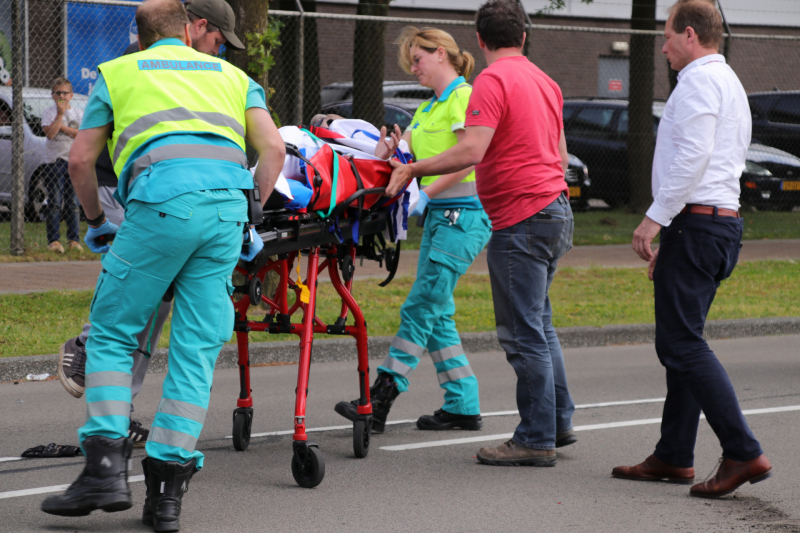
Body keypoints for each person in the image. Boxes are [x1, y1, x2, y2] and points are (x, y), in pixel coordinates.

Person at [40, 0, 285, 530]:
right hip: (226, 213)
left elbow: (80, 160)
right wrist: (249, 218)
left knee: (111, 335)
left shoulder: (119, 72)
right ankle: (167, 494)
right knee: (196, 350)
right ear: (190, 31)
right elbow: (273, 150)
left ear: (143, 35)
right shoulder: (233, 76)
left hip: (161, 206)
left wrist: (96, 221)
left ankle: (105, 470)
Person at [385, 0, 575, 466]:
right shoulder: (545, 80)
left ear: (480, 39)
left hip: (521, 217)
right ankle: (557, 422)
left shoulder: (492, 81)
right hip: (555, 210)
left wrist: (415, 171)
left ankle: (536, 439)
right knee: (541, 325)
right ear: (523, 36)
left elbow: (472, 149)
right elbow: (560, 154)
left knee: (522, 333)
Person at [56, 0, 247, 449]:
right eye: (218, 41)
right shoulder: (147, 63)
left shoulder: (166, 65)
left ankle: (110, 439)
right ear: (196, 27)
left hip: (159, 190)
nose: (218, 51)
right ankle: (93, 361)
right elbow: (84, 157)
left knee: (146, 301)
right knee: (144, 313)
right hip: (137, 187)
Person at [614, 0, 772, 498]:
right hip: (713, 225)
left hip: (698, 225)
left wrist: (655, 220)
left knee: (681, 344)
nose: (662, 47)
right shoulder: (727, 81)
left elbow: (694, 156)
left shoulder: (700, 82)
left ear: (689, 34)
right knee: (684, 341)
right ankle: (674, 454)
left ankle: (742, 451)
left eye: (666, 37)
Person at [333, 27, 491, 434]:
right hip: (442, 217)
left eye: (417, 59)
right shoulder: (428, 108)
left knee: (421, 306)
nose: (413, 69)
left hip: (462, 216)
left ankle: (380, 398)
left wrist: (426, 192)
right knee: (437, 312)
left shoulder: (462, 98)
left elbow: (469, 157)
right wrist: (388, 151)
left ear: (441, 53)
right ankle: (463, 403)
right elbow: (408, 156)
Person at [41, 77, 83, 254]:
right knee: (55, 203)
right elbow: (50, 134)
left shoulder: (79, 113)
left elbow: (81, 135)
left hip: (73, 161)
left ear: (71, 95)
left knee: (73, 203)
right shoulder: (49, 113)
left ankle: (74, 240)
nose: (61, 96)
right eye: (58, 93)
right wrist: (59, 115)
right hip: (55, 162)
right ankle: (54, 241)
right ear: (52, 95)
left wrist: (62, 128)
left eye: (65, 93)